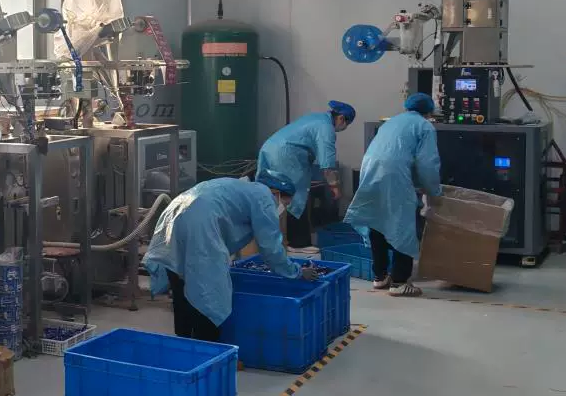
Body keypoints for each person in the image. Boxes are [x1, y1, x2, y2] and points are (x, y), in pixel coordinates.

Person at [145, 171, 317, 341]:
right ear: (277, 193)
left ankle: (184, 342)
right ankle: (207, 346)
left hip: (174, 212)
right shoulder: (264, 197)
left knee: (179, 275)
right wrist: (297, 272)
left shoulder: (240, 187)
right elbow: (270, 248)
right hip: (200, 224)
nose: (282, 208)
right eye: (285, 203)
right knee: (209, 292)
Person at [344, 93, 442, 298]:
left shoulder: (390, 122)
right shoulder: (424, 127)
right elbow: (427, 164)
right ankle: (399, 282)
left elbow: (395, 151)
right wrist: (434, 191)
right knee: (403, 224)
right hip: (393, 175)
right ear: (429, 111)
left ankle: (380, 276)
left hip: (370, 170)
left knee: (377, 220)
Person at [257, 100, 356, 248]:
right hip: (287, 155)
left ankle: (273, 240)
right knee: (295, 199)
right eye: (346, 124)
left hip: (270, 149)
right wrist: (335, 187)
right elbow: (327, 164)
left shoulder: (316, 118)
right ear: (341, 118)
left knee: (275, 195)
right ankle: (298, 244)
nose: (344, 128)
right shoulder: (326, 128)